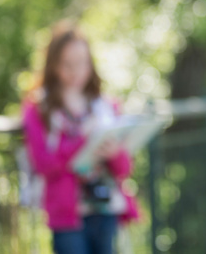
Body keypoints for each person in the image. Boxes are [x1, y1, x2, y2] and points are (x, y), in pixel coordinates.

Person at [22, 21, 138, 254]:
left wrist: (113, 153)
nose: (76, 72)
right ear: (53, 64)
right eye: (68, 64)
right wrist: (83, 141)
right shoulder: (39, 108)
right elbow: (44, 164)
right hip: (67, 216)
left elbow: (124, 168)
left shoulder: (104, 106)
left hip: (106, 209)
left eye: (82, 63)